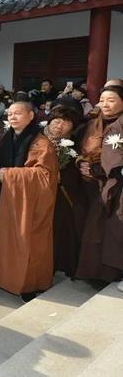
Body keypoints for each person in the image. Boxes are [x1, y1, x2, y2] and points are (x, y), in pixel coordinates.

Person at [0, 102, 59, 299]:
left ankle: (28, 284)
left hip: (28, 204)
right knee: (2, 239)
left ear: (31, 116)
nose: (13, 117)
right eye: (10, 114)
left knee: (28, 243)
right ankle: (2, 277)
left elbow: (44, 175)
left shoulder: (40, 143)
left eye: (18, 113)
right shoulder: (5, 137)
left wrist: (10, 175)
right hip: (6, 197)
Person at [76, 85, 123, 285]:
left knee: (111, 230)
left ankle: (109, 273)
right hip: (90, 185)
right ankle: (94, 272)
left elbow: (114, 157)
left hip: (113, 184)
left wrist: (102, 170)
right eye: (102, 100)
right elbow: (79, 150)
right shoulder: (91, 125)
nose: (105, 104)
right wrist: (81, 163)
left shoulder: (117, 127)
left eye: (111, 100)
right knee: (94, 230)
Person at [41, 106, 86, 278]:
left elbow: (77, 171)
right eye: (57, 121)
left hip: (62, 193)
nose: (60, 126)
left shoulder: (74, 145)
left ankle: (57, 264)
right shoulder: (37, 138)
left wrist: (61, 176)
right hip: (38, 192)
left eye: (66, 123)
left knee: (59, 230)